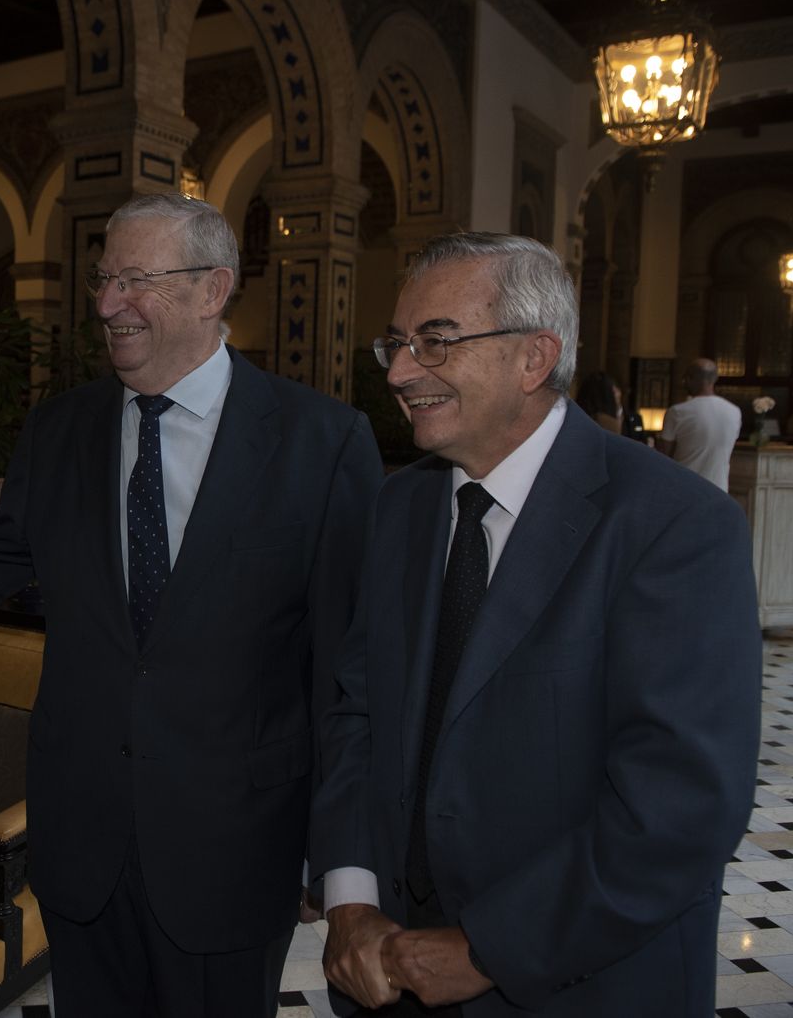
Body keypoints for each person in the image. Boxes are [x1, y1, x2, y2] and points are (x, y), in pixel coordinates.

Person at [0, 193, 383, 1016]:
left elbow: (345, 670)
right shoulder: (59, 431)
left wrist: (339, 857)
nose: (108, 305)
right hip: (83, 844)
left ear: (214, 290)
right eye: (104, 279)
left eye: (136, 281)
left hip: (236, 846)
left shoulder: (322, 442)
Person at [310, 233, 760, 1016]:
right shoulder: (401, 506)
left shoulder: (674, 525)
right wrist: (350, 898)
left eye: (435, 342)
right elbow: (357, 713)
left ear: (533, 357)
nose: (398, 371)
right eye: (397, 343)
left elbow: (680, 808)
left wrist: (489, 948)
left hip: (578, 982)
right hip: (387, 971)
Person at [658, 357, 743, 491]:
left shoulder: (678, 412)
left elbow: (664, 455)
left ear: (691, 378)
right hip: (719, 488)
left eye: (686, 378)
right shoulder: (734, 411)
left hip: (685, 486)